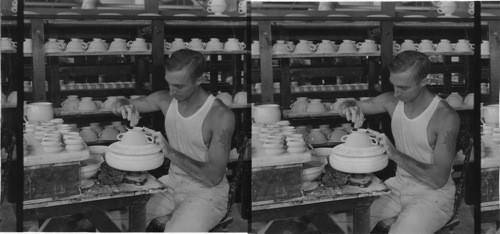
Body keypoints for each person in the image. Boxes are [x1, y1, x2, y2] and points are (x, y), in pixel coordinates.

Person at [336, 50, 460, 233]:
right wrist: (346, 107)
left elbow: (438, 179)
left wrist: (394, 154)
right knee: (343, 225)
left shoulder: (445, 117)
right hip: (398, 187)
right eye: (394, 85)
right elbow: (351, 103)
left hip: (433, 197)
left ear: (425, 81)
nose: (396, 92)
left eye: (403, 88)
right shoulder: (392, 101)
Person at [113, 49, 235, 232]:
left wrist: (170, 152)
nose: (171, 91)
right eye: (169, 84)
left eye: (178, 86)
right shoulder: (165, 99)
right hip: (172, 183)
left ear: (200, 80)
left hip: (207, 194)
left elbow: (214, 177)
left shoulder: (220, 115)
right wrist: (124, 106)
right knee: (122, 222)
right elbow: (120, 101)